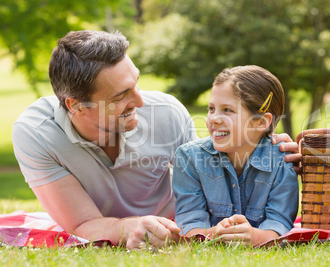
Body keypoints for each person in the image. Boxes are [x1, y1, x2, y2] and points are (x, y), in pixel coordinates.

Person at [12, 30, 300, 249]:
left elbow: (209, 168)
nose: (140, 100)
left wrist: (263, 143)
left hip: (177, 225)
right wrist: (127, 229)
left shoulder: (166, 112)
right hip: (118, 228)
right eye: (120, 95)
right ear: (76, 106)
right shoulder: (37, 133)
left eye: (135, 83)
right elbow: (82, 224)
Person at [173, 65, 299, 247]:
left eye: (227, 110)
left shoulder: (282, 160)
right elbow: (189, 225)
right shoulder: (189, 158)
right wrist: (216, 233)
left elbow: (280, 224)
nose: (214, 119)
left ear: (261, 122)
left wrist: (256, 237)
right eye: (211, 108)